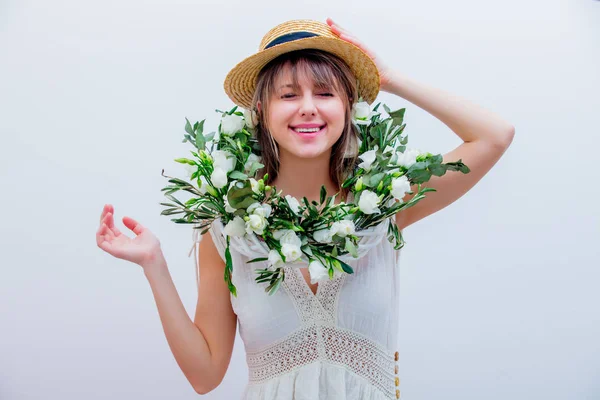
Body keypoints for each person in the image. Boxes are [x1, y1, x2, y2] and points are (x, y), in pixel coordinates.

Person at [96, 18, 515, 399]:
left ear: (349, 107)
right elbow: (205, 375)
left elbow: (494, 136)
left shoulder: (387, 203)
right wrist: (154, 265)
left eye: (326, 92)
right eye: (288, 94)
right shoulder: (226, 227)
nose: (309, 107)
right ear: (260, 111)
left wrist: (389, 79)